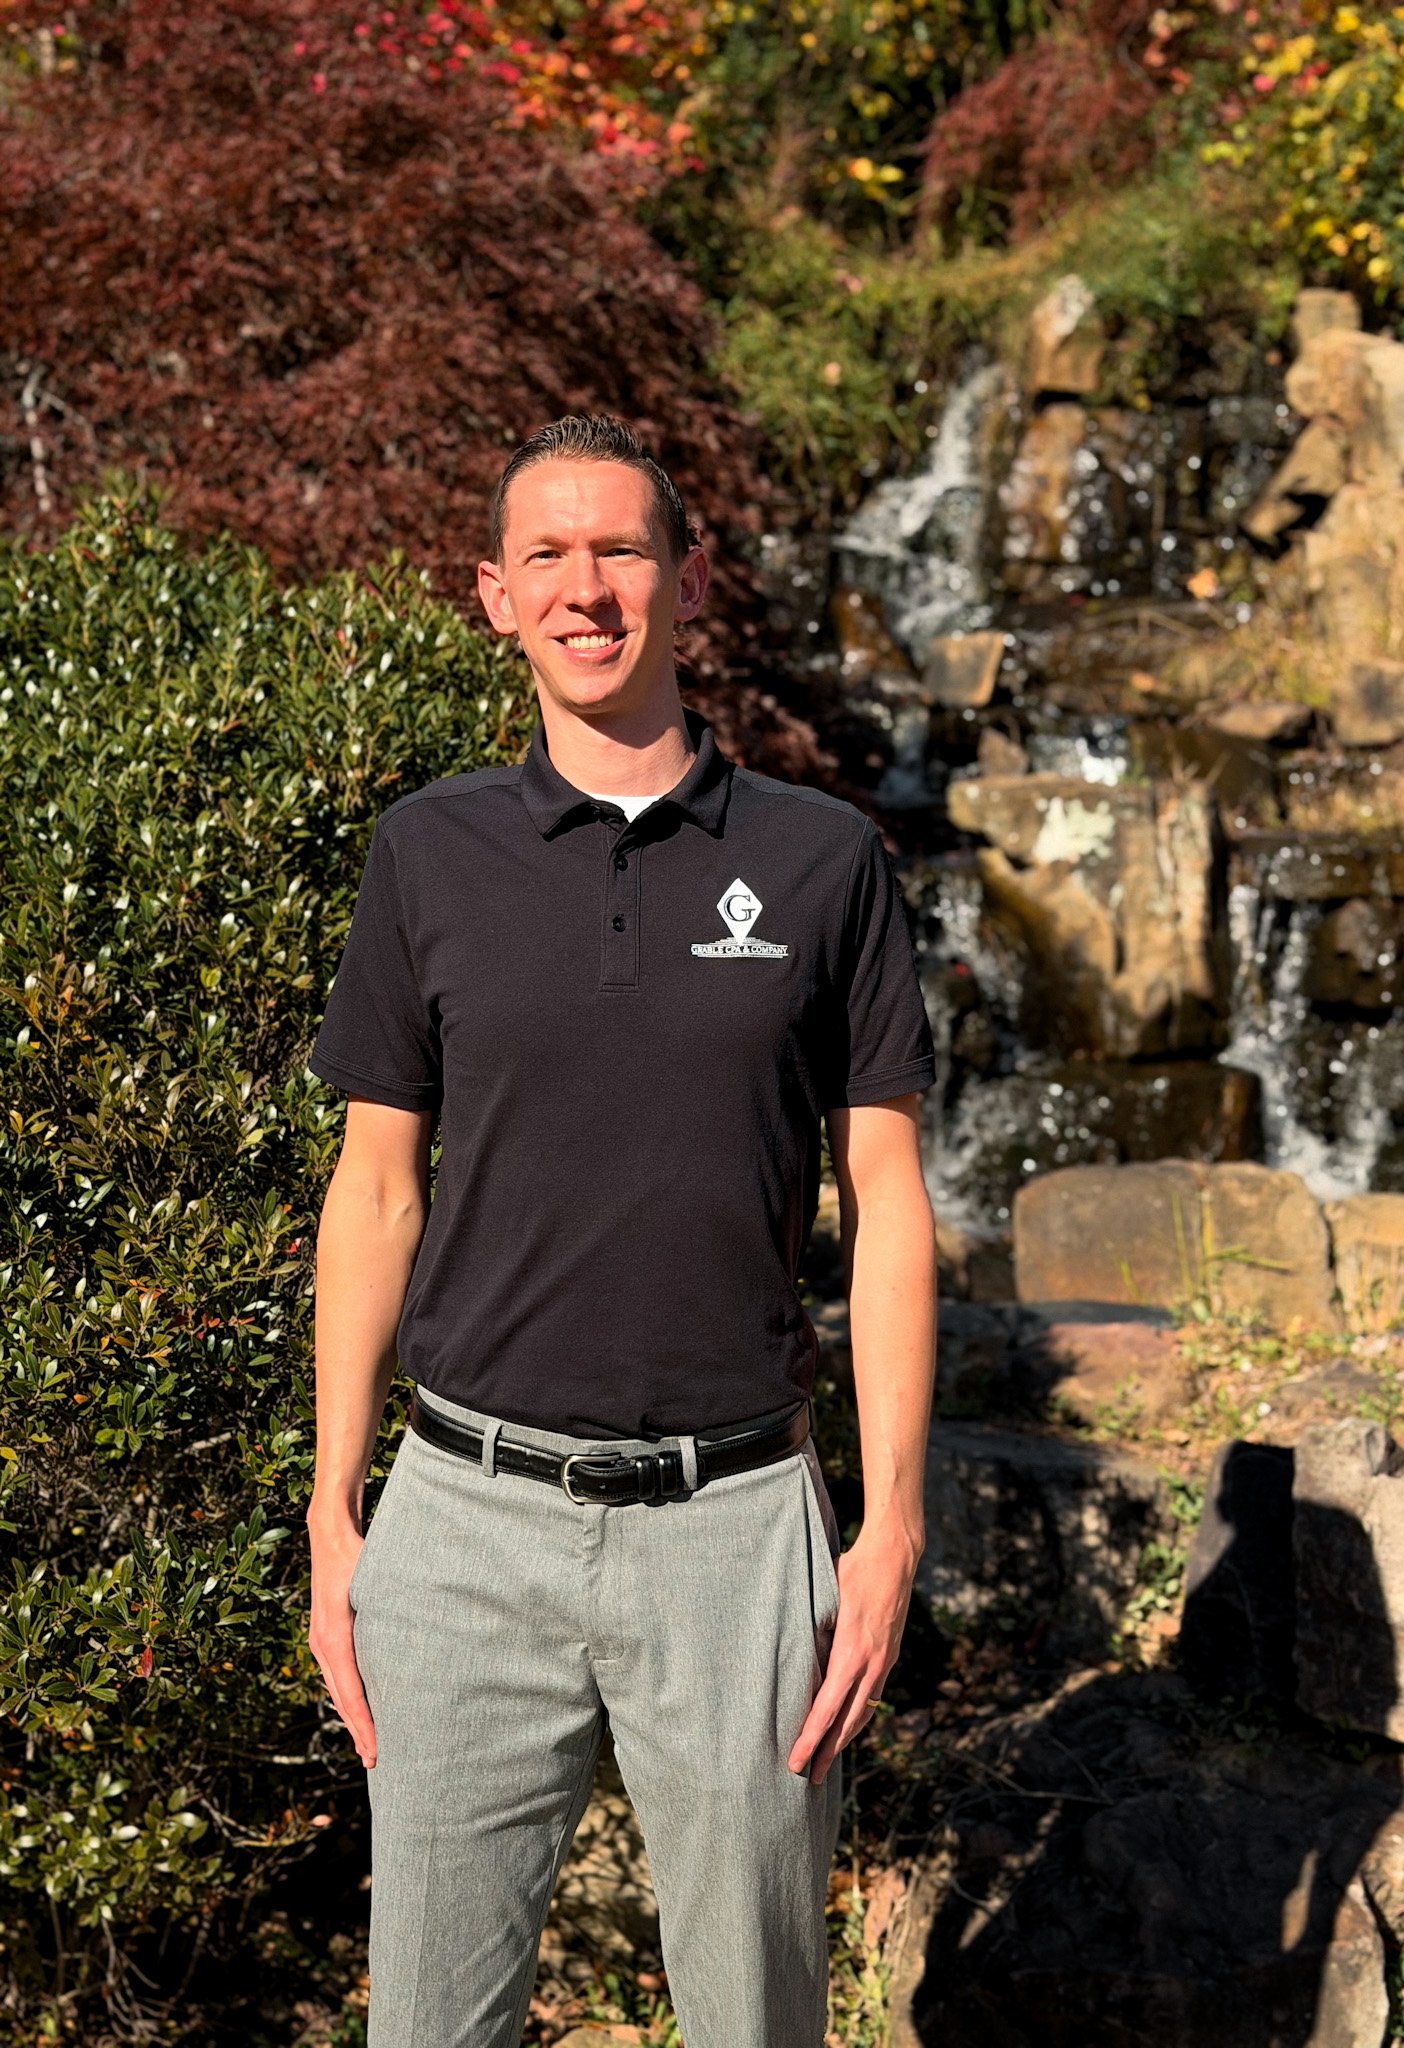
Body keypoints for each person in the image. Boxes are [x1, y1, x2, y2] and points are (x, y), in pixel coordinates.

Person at [303, 413, 938, 2048]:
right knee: (430, 2024)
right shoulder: (426, 852)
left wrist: (888, 1529)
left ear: (689, 579)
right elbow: (377, 1192)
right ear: (494, 597)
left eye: (623, 549)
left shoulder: (821, 861)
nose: (589, 588)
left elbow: (885, 1209)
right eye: (549, 557)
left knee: (755, 2022)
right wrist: (333, 1510)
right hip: (460, 1525)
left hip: (736, 1539)